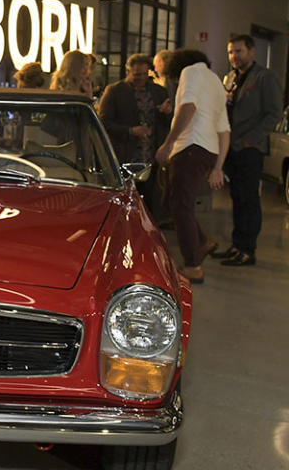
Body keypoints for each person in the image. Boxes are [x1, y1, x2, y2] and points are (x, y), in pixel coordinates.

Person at [155, 49, 230, 283]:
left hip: (190, 147)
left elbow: (188, 108)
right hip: (207, 150)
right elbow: (224, 129)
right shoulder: (216, 81)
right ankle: (203, 242)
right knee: (173, 201)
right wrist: (218, 166)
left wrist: (168, 145)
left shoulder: (190, 72)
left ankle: (193, 266)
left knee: (180, 205)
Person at [211, 34, 282, 266]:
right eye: (230, 52)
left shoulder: (265, 77)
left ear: (251, 51)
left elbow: (273, 114)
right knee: (237, 198)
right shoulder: (230, 77)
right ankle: (237, 245)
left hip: (250, 147)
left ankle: (247, 250)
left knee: (249, 199)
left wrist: (250, 140)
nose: (234, 56)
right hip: (231, 145)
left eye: (238, 51)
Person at [99, 54, 171, 220]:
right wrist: (131, 131)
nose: (141, 78)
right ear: (128, 71)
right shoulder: (115, 91)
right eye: (137, 74)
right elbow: (104, 122)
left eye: (145, 74)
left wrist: (167, 113)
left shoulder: (158, 91)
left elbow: (167, 122)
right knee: (126, 198)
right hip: (126, 153)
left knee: (151, 199)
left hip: (151, 153)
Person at [152, 49, 176, 116]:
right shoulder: (178, 79)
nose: (155, 70)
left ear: (161, 63)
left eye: (155, 65)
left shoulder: (168, 82)